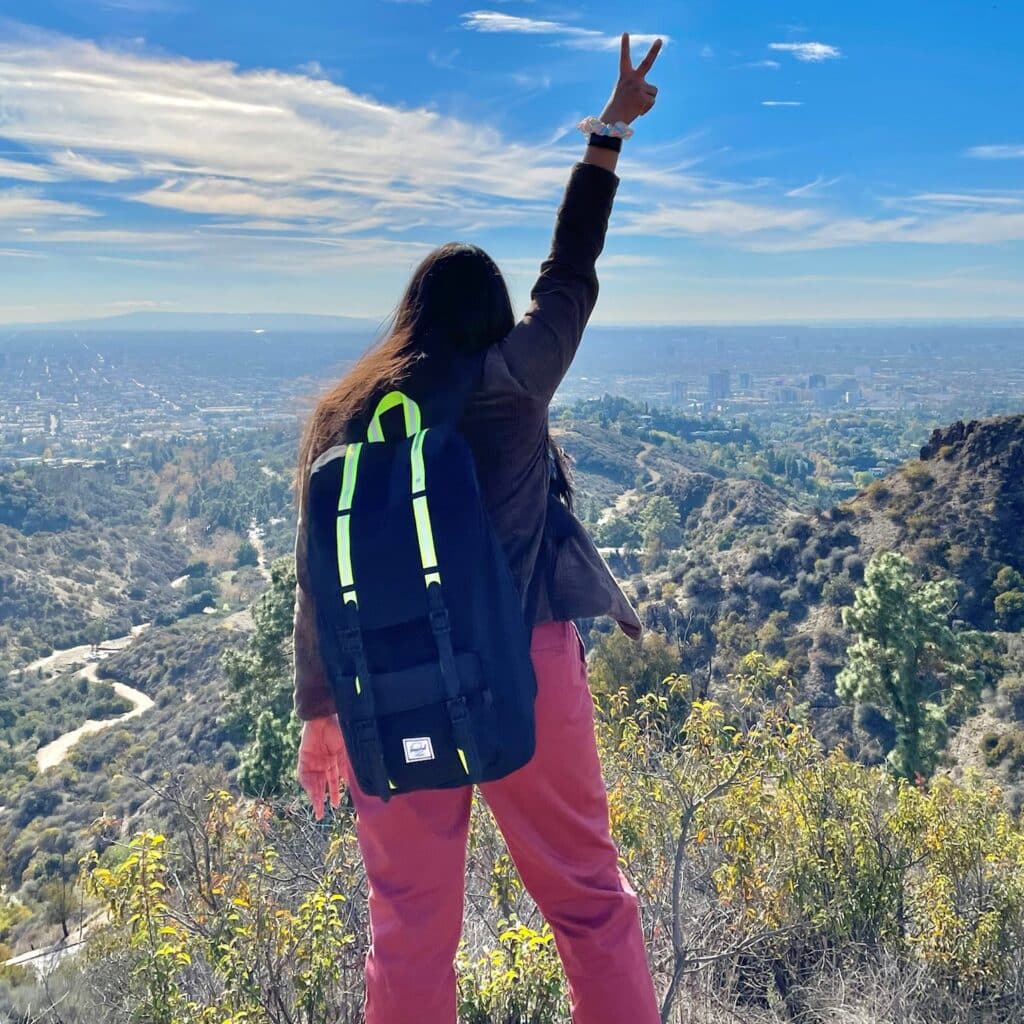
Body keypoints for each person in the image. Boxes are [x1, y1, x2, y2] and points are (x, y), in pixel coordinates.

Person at [291, 32, 663, 1024]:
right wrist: (607, 135)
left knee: (407, 928)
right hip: (528, 667)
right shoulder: (511, 381)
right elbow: (571, 271)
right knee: (588, 902)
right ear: (492, 318)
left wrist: (321, 714)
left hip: (391, 681)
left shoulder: (344, 417)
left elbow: (319, 580)